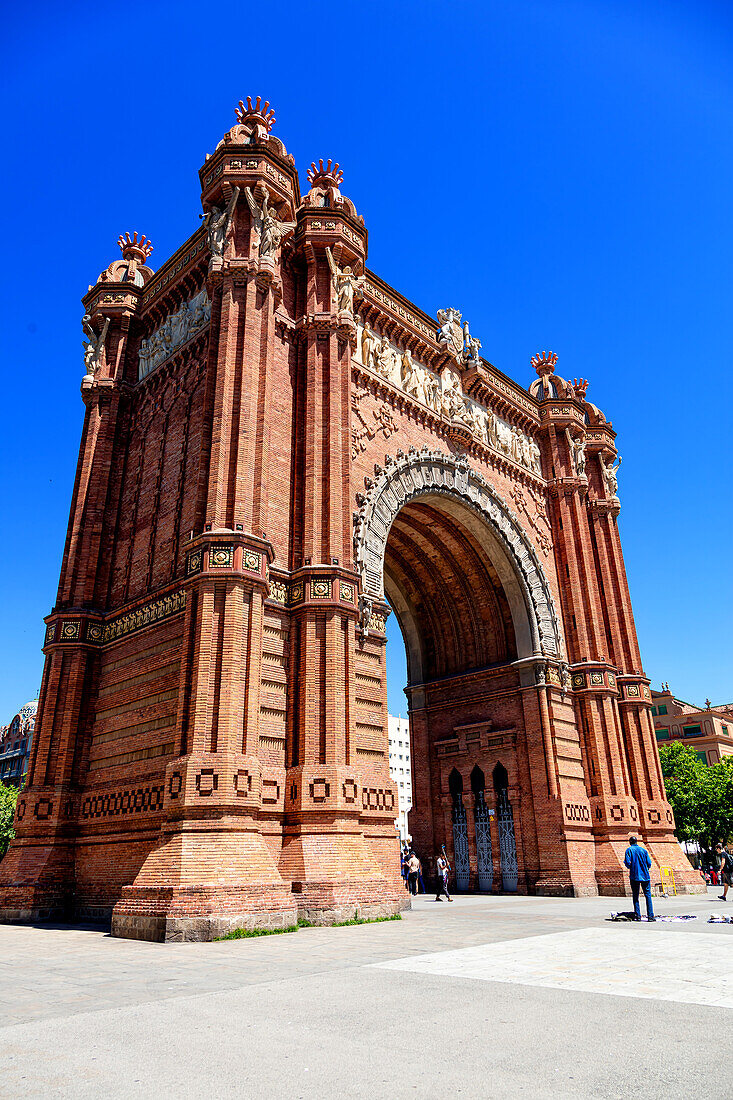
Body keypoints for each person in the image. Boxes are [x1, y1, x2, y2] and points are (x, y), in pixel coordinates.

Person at [624, 835, 655, 921]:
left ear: (630, 842)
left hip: (634, 876)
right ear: (636, 842)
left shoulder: (629, 850)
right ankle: (650, 916)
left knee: (635, 895)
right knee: (648, 895)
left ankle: (638, 915)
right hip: (645, 876)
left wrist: (632, 866)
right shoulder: (643, 850)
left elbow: (627, 863)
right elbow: (649, 863)